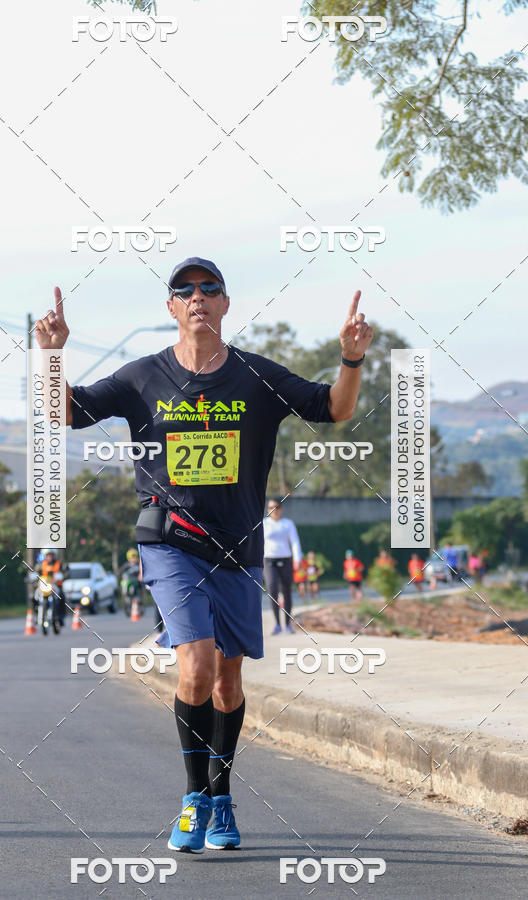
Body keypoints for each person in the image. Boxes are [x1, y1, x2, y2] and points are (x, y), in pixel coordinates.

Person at [35, 258, 373, 853]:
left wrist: (350, 359)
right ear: (171, 308)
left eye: (209, 288)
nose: (197, 297)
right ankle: (193, 798)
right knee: (194, 664)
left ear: (225, 304)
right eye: (185, 290)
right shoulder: (144, 377)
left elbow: (335, 409)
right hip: (170, 543)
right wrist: (53, 354)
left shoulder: (253, 376)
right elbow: (65, 412)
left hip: (238, 549)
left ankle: (221, 796)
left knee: (227, 678)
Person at [263, 500, 303, 634]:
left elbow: (295, 542)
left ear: (281, 508)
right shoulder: (264, 524)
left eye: (276, 507)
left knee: (286, 591)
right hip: (268, 560)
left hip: (285, 559)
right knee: (272, 589)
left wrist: (297, 559)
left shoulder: (288, 524)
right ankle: (277, 625)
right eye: (270, 507)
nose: (273, 510)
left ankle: (287, 624)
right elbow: (258, 543)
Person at [39, 549, 67, 626]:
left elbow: (65, 572)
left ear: (54, 555)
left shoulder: (58, 564)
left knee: (62, 597)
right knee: (32, 597)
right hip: (44, 586)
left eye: (51, 555)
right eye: (48, 555)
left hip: (56, 585)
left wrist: (63, 576)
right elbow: (36, 572)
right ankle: (36, 612)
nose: (49, 557)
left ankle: (61, 617)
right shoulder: (41, 564)